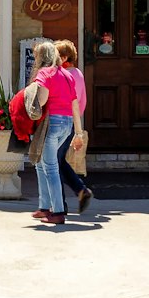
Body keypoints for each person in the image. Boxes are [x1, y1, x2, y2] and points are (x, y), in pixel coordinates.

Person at [34, 39, 85, 226]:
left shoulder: (44, 74)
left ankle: (58, 211)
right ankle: (44, 206)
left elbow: (41, 101)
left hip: (51, 123)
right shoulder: (67, 74)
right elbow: (74, 105)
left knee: (51, 167)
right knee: (42, 163)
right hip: (67, 124)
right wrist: (78, 133)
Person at [53, 39, 94, 214]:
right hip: (70, 122)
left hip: (63, 121)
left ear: (63, 57)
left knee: (53, 163)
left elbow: (70, 101)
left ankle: (59, 205)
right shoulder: (77, 73)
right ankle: (80, 191)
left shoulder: (66, 76)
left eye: (55, 56)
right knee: (58, 161)